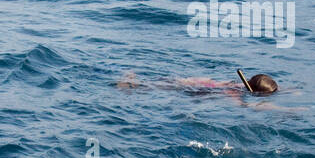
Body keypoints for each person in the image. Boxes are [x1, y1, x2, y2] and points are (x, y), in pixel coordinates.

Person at [117, 68, 279, 97]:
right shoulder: (234, 93)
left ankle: (132, 82)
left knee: (164, 83)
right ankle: (128, 85)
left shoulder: (234, 85)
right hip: (200, 89)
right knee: (160, 87)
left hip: (203, 83)